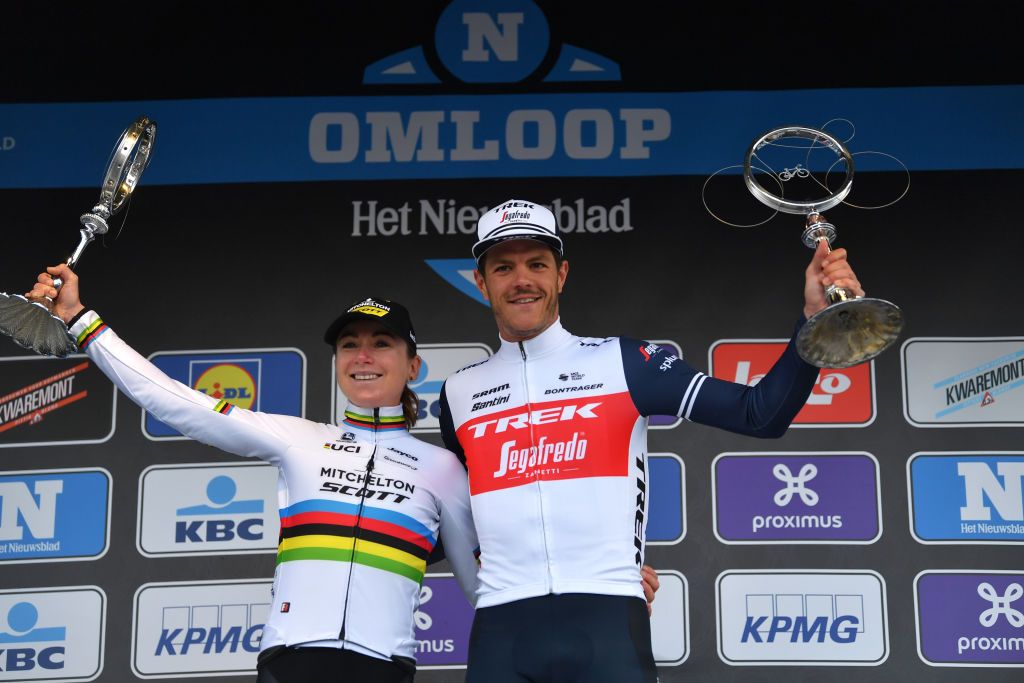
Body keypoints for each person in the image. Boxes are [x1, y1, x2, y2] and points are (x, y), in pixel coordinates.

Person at [438, 199, 865, 682]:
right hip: (501, 626)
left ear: (561, 274)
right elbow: (459, 515)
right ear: (480, 281)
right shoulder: (459, 391)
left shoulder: (623, 361)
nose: (521, 280)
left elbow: (759, 414)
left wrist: (812, 320)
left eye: (537, 264)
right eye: (503, 267)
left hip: (608, 621)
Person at [29, 266, 480, 683]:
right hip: (290, 662)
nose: (364, 355)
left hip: (384, 667)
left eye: (382, 342)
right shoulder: (298, 439)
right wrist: (79, 318)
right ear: (337, 362)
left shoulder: (441, 470)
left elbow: (484, 590)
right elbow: (174, 400)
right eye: (349, 344)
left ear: (414, 366)